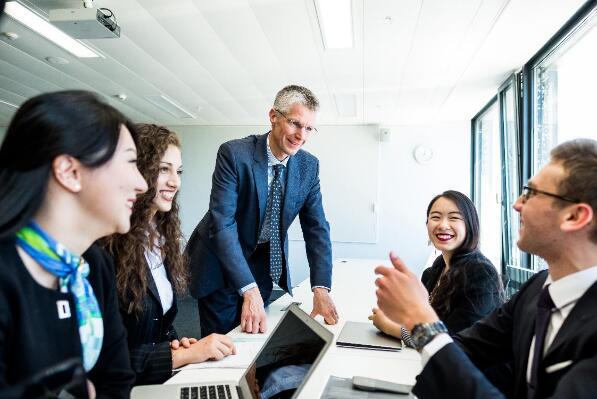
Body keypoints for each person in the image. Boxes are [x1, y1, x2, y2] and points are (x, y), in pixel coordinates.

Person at [375, 138, 597, 398]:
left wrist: (418, 320)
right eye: (435, 217)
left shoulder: (482, 273)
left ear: (574, 216)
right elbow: (464, 349)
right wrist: (414, 320)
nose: (516, 204)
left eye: (531, 193)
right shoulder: (537, 288)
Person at [0, 90, 147, 398]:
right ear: (70, 172)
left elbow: (117, 381)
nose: (142, 183)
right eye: (131, 162)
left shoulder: (93, 265)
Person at [186, 84, 338, 337]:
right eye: (295, 123)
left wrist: (320, 288)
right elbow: (222, 223)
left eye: (309, 128)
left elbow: (317, 229)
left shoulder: (308, 167)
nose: (301, 135)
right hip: (220, 261)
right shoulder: (235, 154)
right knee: (223, 343)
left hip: (263, 263)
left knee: (256, 338)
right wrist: (248, 289)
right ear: (273, 116)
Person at [101, 124, 236, 385]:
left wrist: (177, 346)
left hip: (153, 382)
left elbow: (158, 324)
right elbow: (104, 362)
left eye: (179, 171)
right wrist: (182, 356)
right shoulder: (105, 247)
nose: (175, 182)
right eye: (164, 169)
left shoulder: (160, 238)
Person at [369, 190, 504, 339]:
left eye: (454, 218)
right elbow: (422, 321)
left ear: (470, 225)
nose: (443, 225)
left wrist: (390, 327)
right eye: (435, 217)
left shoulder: (481, 273)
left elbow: (453, 340)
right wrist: (394, 315)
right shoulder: (436, 269)